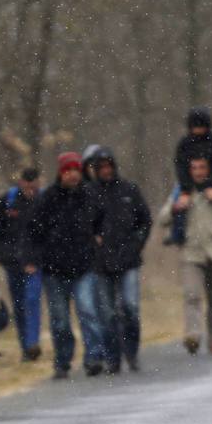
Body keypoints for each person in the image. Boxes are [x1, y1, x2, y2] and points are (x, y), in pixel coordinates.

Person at [24, 151, 107, 380]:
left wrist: (99, 237)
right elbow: (33, 230)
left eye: (76, 170)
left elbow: (101, 218)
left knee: (88, 311)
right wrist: (33, 257)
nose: (72, 175)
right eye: (68, 170)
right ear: (61, 173)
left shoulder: (89, 195)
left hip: (84, 266)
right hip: (54, 269)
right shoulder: (47, 198)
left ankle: (94, 357)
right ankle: (62, 360)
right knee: (59, 320)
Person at [158, 156, 212, 355]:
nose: (198, 172)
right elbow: (162, 219)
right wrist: (176, 207)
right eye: (194, 167)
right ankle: (193, 335)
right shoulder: (182, 190)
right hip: (191, 253)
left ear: (209, 169)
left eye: (202, 167)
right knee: (192, 295)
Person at [85, 147, 151, 373]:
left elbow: (145, 220)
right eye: (101, 167)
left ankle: (132, 352)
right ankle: (113, 357)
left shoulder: (129, 190)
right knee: (107, 313)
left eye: (108, 166)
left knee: (130, 307)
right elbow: (82, 225)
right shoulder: (89, 193)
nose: (106, 170)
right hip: (101, 263)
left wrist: (137, 242)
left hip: (129, 259)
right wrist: (94, 241)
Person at [0, 168, 43, 361]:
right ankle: (26, 349)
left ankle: (32, 342)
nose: (30, 189)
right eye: (27, 185)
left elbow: (48, 234)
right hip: (11, 262)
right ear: (21, 183)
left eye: (33, 185)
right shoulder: (7, 201)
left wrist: (36, 259)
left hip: (35, 264)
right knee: (20, 306)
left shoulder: (44, 201)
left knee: (31, 301)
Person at [170, 108, 212, 245]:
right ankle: (177, 232)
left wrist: (211, 185)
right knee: (177, 201)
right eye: (195, 126)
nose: (198, 130)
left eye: (200, 126)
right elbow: (180, 166)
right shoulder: (184, 144)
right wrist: (186, 188)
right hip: (188, 180)